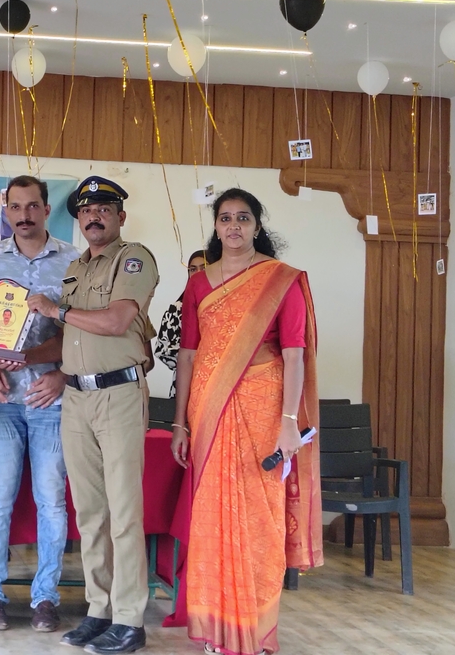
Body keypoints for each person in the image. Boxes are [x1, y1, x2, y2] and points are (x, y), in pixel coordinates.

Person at [170, 188, 323, 655]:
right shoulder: (199, 284)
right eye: (225, 218)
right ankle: (218, 629)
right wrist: (179, 423)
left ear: (257, 225)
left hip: (263, 408)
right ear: (216, 227)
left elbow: (294, 356)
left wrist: (289, 421)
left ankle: (253, 631)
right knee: (211, 517)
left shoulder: (281, 279)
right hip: (208, 410)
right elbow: (188, 355)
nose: (233, 226)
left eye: (242, 218)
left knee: (259, 518)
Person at [27, 176, 159, 655]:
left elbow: (117, 321)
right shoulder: (76, 268)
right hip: (76, 398)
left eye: (103, 208)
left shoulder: (133, 258)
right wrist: (17, 354)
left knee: (123, 514)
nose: (93, 217)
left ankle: (129, 619)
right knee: (90, 514)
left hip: (118, 394)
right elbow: (71, 338)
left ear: (120, 216)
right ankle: (99, 610)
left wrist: (56, 311)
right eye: (86, 211)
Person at [0, 175, 80, 633]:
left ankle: (45, 597)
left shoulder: (74, 261)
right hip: (3, 401)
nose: (24, 214)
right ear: (5, 210)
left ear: (47, 209)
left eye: (32, 206)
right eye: (15, 207)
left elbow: (81, 331)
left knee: (51, 501)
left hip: (51, 399)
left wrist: (62, 374)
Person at [154, 250, 206, 400]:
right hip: (186, 385)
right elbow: (162, 349)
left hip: (219, 383)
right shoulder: (177, 308)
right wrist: (197, 359)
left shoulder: (226, 306)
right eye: (193, 269)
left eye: (204, 267)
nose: (198, 273)